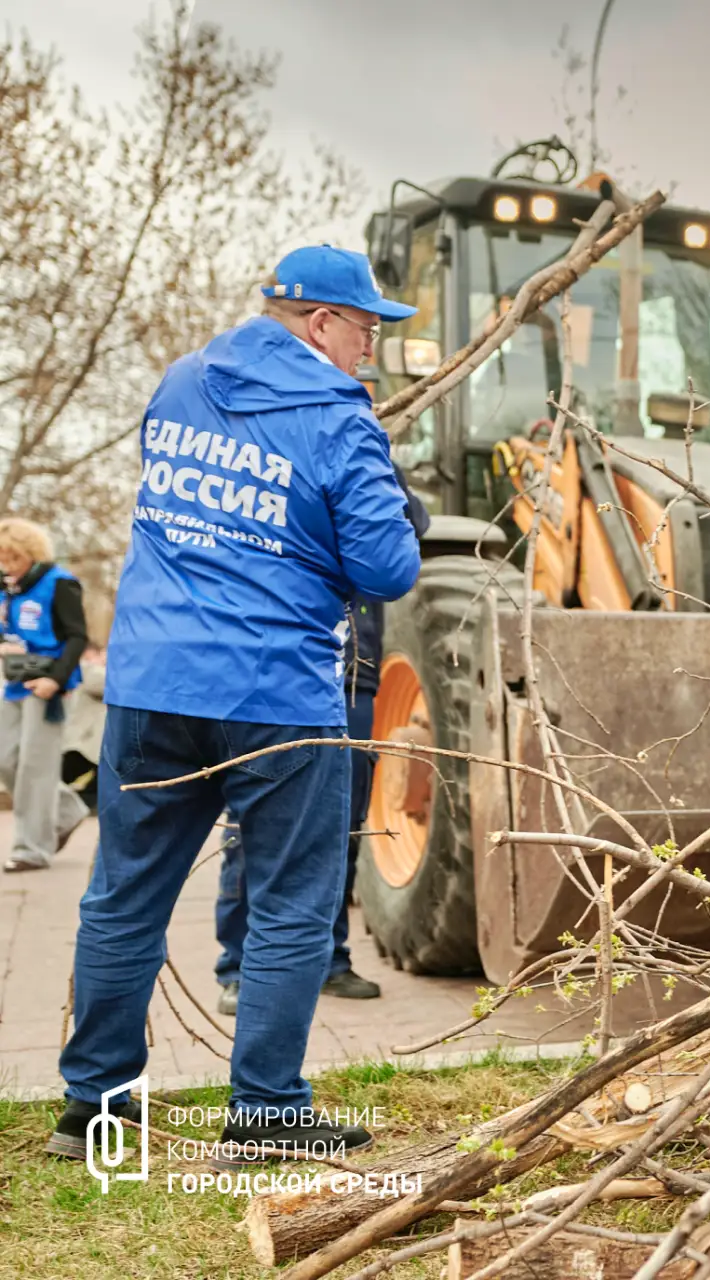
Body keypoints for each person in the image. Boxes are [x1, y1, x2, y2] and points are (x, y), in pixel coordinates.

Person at [48, 245, 422, 1167]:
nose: (372, 347)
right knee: (291, 904)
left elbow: (195, 508)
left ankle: (93, 1106)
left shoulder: (183, 381)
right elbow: (387, 569)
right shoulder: (339, 417)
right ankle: (265, 1116)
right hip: (276, 692)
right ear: (320, 323)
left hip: (152, 681)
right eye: (366, 328)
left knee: (124, 895)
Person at [215, 569, 426, 1016]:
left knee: (341, 824)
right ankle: (239, 968)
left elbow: (404, 539)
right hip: (271, 672)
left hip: (352, 678)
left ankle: (328, 961)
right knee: (251, 825)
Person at [0, 518, 91, 871]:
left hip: (48, 685)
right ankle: (67, 809)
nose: (8, 565)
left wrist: (55, 680)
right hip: (15, 683)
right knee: (5, 759)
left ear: (32, 553)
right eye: (2, 558)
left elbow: (77, 636)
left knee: (35, 768)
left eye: (14, 558)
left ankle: (32, 849)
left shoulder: (59, 583)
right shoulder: (8, 589)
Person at [60, 643, 108, 813]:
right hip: (81, 742)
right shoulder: (88, 670)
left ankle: (77, 809)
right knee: (58, 776)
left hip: (96, 743)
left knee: (99, 784)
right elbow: (98, 682)